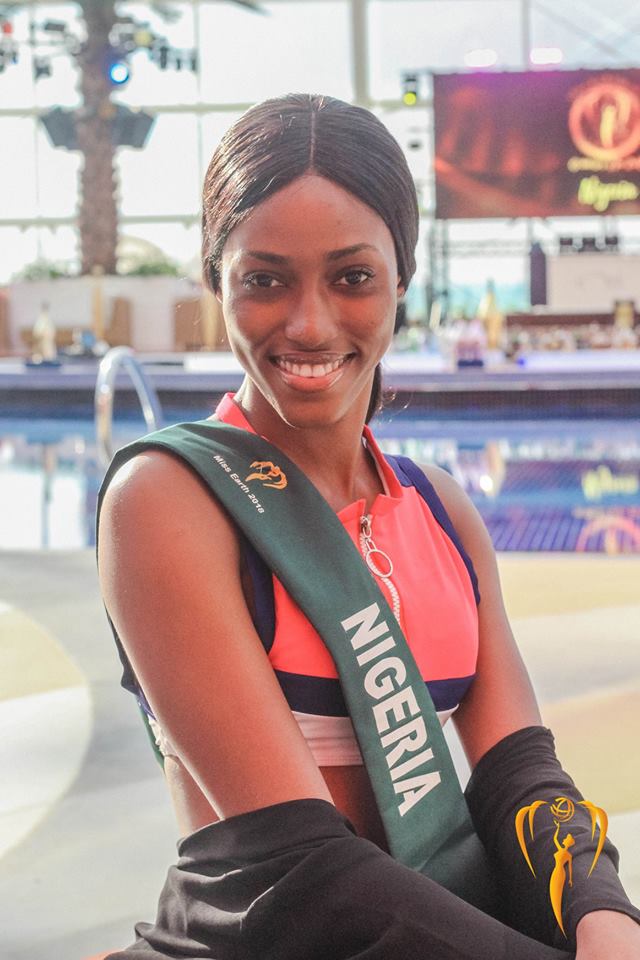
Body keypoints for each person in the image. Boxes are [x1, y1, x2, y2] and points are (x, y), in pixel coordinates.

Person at [97, 94, 640, 960]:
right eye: (265, 279)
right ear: (216, 282)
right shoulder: (170, 502)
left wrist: (605, 920)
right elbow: (302, 869)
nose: (309, 324)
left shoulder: (442, 510)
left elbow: (522, 780)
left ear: (401, 283)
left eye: (351, 278)